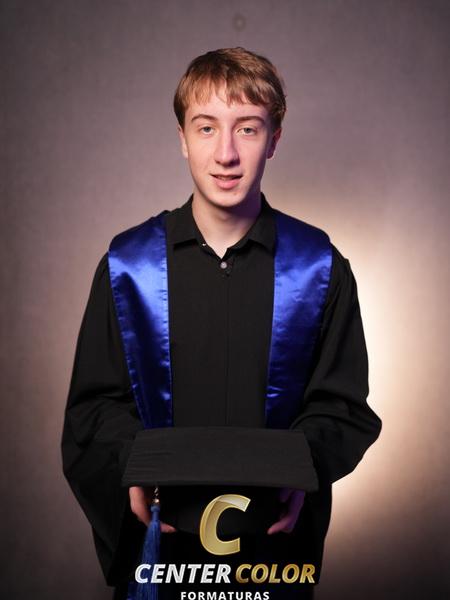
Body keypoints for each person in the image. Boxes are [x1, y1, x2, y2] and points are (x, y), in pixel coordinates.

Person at [62, 47, 382, 600]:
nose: (226, 153)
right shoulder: (129, 268)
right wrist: (132, 464)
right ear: (182, 138)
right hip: (164, 555)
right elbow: (94, 407)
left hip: (270, 560)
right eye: (206, 127)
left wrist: (301, 468)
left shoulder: (318, 268)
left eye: (248, 128)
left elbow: (342, 406)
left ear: (274, 139)